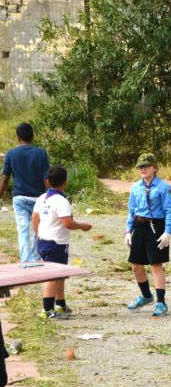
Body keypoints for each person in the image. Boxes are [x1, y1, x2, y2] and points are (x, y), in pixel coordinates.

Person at [31, 166, 92, 320]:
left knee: (60, 274)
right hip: (56, 242)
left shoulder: (42, 198)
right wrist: (82, 226)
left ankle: (60, 303)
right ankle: (47, 309)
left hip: (44, 241)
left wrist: (38, 234)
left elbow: (34, 218)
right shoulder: (62, 201)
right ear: (65, 182)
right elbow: (67, 223)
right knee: (52, 276)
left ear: (48, 181)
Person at [124, 153, 171, 317]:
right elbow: (131, 211)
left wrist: (168, 232)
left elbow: (170, 211)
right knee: (135, 264)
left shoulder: (164, 187)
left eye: (146, 166)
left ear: (154, 167)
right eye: (140, 167)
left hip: (156, 226)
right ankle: (146, 296)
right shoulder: (135, 187)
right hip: (140, 226)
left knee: (155, 264)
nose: (143, 169)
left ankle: (161, 302)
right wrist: (128, 231)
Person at [0, 123, 50, 263]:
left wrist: (0, 195)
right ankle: (35, 258)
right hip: (38, 199)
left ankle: (25, 260)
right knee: (37, 229)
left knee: (23, 230)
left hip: (20, 198)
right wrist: (49, 196)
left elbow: (5, 178)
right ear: (32, 136)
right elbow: (46, 177)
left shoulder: (11, 154)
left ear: (18, 137)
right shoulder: (41, 153)